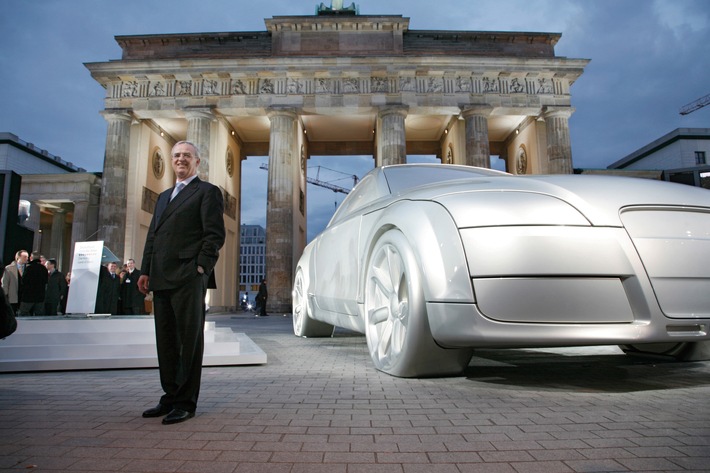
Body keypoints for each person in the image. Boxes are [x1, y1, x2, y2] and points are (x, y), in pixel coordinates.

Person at [138, 140, 225, 425]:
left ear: (197, 162)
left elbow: (214, 234)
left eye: (187, 156)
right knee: (166, 341)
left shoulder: (208, 192)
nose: (180, 160)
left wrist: (201, 266)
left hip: (188, 276)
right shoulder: (163, 197)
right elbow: (153, 235)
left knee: (188, 341)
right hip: (161, 276)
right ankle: (170, 396)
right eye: (176, 155)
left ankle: (186, 402)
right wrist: (145, 270)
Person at [18, 251, 48, 316]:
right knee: (39, 315)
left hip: (28, 296)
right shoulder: (43, 269)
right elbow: (46, 281)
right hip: (40, 296)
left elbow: (24, 281)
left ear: (31, 258)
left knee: (23, 313)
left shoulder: (29, 268)